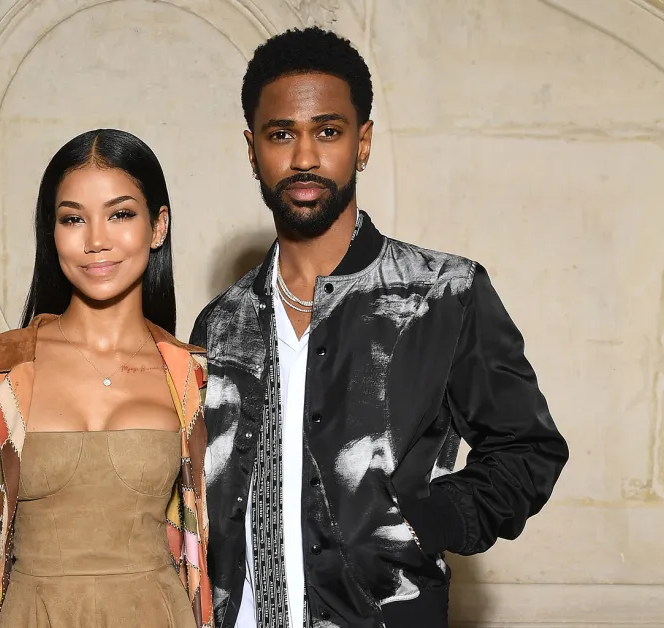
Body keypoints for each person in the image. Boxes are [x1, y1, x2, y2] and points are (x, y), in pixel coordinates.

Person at [189, 27, 569, 628]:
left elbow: (529, 448)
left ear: (362, 143)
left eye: (329, 132)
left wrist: (425, 521)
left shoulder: (444, 293)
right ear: (252, 146)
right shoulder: (222, 322)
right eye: (281, 133)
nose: (305, 156)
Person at [0, 129, 213, 628]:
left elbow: (210, 552)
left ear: (158, 225)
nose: (96, 239)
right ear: (52, 232)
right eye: (73, 218)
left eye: (120, 213)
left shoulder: (194, 377)